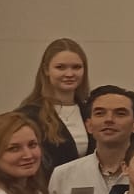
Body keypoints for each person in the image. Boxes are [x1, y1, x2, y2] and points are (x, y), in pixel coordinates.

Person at [17, 37, 93, 171]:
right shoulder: (28, 115)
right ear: (46, 70)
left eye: (76, 67)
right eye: (60, 67)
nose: (69, 74)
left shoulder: (91, 112)